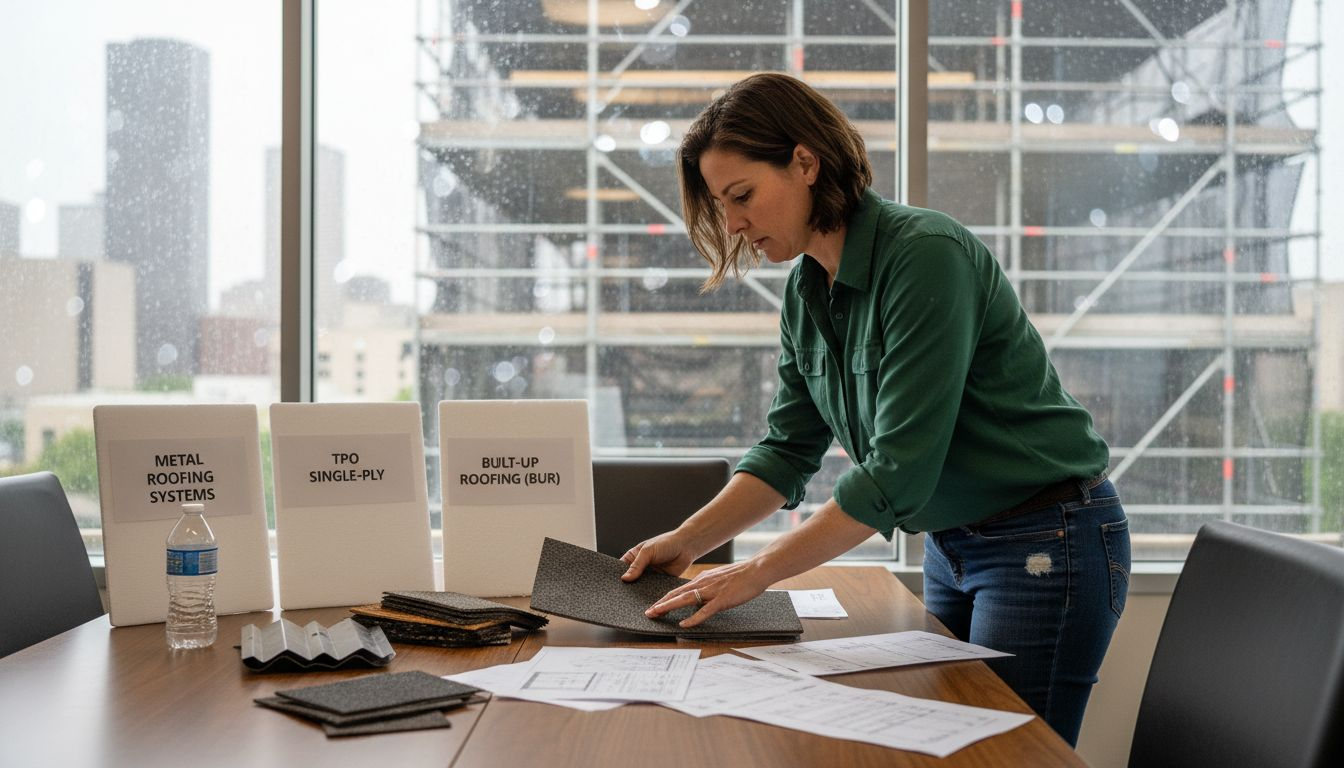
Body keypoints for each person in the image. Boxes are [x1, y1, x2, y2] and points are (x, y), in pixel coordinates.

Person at [619, 72, 1129, 746]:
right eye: (721, 204)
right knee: (951, 750)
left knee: (1007, 760)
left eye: (741, 195)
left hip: (1046, 539)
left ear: (805, 162)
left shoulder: (924, 255)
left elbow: (897, 473)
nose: (733, 223)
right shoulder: (807, 290)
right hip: (954, 545)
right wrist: (686, 543)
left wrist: (756, 573)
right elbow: (786, 451)